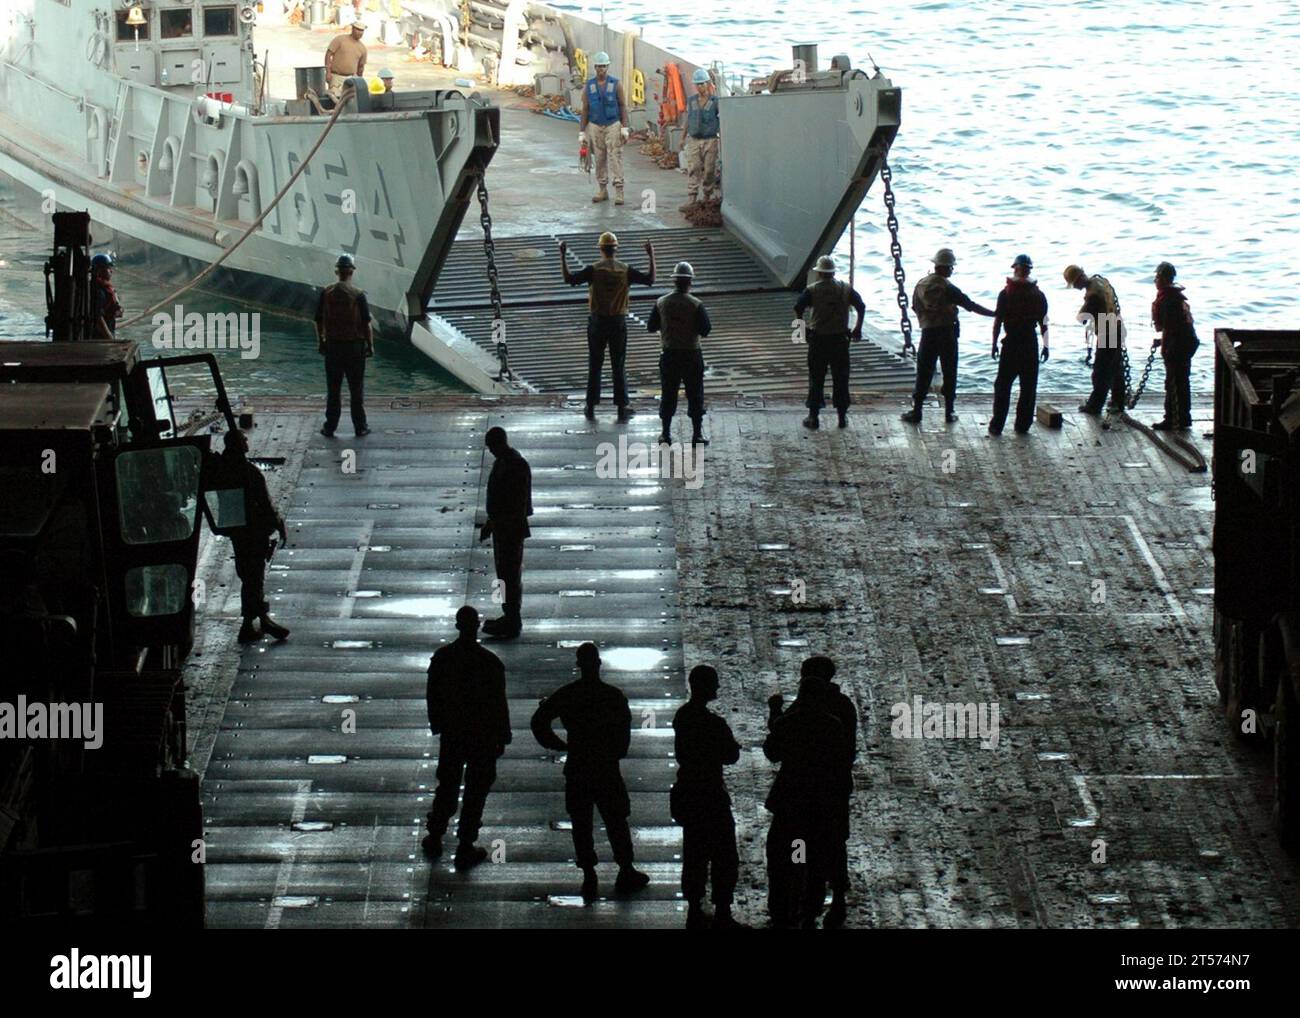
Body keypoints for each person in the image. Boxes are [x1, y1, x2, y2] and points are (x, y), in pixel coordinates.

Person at [531, 643, 650, 902]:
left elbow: (539, 721)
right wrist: (614, 751)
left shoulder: (568, 695)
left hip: (578, 765)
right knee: (616, 819)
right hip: (606, 766)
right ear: (598, 665)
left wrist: (557, 743)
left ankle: (588, 871)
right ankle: (625, 868)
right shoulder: (613, 696)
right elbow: (623, 740)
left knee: (581, 823)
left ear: (579, 666)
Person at [423, 606, 511, 869]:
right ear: (476, 626)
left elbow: (433, 695)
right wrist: (502, 736)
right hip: (481, 736)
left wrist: (439, 725)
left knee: (448, 785)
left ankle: (436, 834)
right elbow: (498, 703)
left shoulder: (443, 658)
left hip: (453, 733)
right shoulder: (489, 662)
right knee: (476, 791)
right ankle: (465, 844)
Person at [763, 670, 847, 928]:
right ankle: (809, 909)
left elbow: (772, 752)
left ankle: (782, 908)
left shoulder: (788, 723)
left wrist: (776, 713)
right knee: (813, 860)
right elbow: (840, 762)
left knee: (785, 857)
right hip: (819, 806)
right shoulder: (833, 725)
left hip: (790, 803)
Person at [671, 665, 742, 929]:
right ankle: (722, 910)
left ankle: (694, 908)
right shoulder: (714, 723)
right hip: (711, 794)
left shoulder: (683, 716)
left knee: (695, 853)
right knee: (724, 855)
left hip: (688, 792)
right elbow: (731, 755)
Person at [790, 656, 857, 929]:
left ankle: (804, 894)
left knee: (801, 843)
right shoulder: (843, 707)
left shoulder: (803, 706)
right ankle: (838, 894)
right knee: (835, 842)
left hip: (806, 790)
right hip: (835, 787)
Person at [560, 231, 655, 421]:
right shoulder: (625, 269)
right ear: (615, 249)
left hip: (597, 322)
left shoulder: (593, 270)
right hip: (618, 322)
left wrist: (562, 255)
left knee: (595, 364)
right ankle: (621, 406)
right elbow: (650, 279)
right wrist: (651, 255)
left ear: (601, 249)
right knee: (618, 364)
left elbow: (569, 279)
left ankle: (590, 405)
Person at [902, 248, 994, 424]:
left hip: (928, 333)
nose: (952, 270)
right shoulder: (948, 288)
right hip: (946, 334)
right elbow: (971, 305)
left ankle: (917, 411)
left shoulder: (921, 284)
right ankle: (949, 412)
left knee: (923, 372)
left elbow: (915, 307)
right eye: (951, 267)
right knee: (949, 371)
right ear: (944, 268)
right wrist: (995, 314)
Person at [220, 430, 290, 645]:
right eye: (243, 440)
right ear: (239, 445)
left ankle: (256, 620)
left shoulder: (223, 469)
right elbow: (266, 504)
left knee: (248, 577)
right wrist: (279, 524)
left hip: (237, 531)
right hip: (254, 531)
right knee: (254, 578)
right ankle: (256, 621)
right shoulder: (249, 473)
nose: (247, 441)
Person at [794, 255, 866, 430]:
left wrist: (802, 329)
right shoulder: (846, 289)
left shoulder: (812, 290)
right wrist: (857, 328)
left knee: (816, 378)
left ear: (819, 273)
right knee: (841, 378)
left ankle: (813, 417)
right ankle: (841, 417)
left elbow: (798, 308)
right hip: (840, 340)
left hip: (819, 340)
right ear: (833, 272)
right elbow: (861, 306)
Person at [647, 260, 711, 445]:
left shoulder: (661, 302)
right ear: (690, 282)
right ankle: (697, 435)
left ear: (674, 281)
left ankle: (665, 434)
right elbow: (706, 330)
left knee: (668, 394)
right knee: (695, 394)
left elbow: (651, 327)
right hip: (691, 354)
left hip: (669, 354)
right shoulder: (696, 304)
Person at [988, 253, 1050, 436]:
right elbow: (1043, 323)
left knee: (1003, 386)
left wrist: (994, 343)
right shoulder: (1038, 294)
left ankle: (997, 425)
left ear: (1014, 269)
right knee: (1028, 387)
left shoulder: (1005, 293)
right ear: (1029, 270)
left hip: (1011, 343)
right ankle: (1022, 426)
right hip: (1030, 343)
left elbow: (998, 321)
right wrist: (1046, 345)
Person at [479, 427, 532, 638]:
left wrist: (499, 522)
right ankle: (508, 613)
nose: (491, 451)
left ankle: (512, 617)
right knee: (503, 575)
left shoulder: (515, 466)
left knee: (509, 575)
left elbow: (517, 504)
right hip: (502, 527)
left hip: (510, 529)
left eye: (492, 447)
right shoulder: (505, 462)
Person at [316, 253, 372, 438]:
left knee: (333, 390)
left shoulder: (326, 292)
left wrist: (321, 341)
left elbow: (318, 319)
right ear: (352, 272)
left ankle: (330, 426)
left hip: (333, 346)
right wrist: (370, 345)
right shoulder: (358, 294)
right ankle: (360, 426)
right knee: (356, 390)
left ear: (336, 271)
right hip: (354, 347)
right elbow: (366, 323)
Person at [1065, 264, 1127, 417]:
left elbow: (1082, 318)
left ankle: (1094, 405)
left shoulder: (1092, 294)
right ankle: (1118, 401)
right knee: (1116, 368)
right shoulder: (1100, 281)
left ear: (1078, 280)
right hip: (1117, 328)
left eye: (1074, 284)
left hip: (1108, 332)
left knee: (1101, 371)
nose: (1075, 287)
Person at [1150, 261, 1198, 431]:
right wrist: (1163, 341)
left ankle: (1172, 418)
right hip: (1185, 342)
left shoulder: (1168, 300)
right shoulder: (1174, 297)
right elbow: (1177, 327)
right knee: (1180, 381)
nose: (1155, 280)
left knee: (1174, 383)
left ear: (1162, 278)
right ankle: (1182, 417)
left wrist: (1168, 346)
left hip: (1179, 345)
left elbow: (1173, 328)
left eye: (1157, 277)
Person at [578, 51, 629, 205]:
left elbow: (622, 106)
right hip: (595, 126)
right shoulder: (589, 86)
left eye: (604, 67)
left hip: (613, 124)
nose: (601, 69)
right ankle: (602, 189)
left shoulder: (616, 84)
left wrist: (625, 127)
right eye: (599, 67)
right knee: (599, 158)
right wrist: (582, 131)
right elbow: (585, 108)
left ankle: (619, 191)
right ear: (595, 67)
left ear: (608, 67)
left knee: (615, 157)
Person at [679, 68, 720, 210]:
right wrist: (682, 138)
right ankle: (692, 198)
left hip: (711, 140)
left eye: (702, 84)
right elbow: (688, 120)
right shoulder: (691, 101)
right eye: (697, 84)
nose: (700, 87)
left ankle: (707, 197)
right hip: (694, 140)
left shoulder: (716, 102)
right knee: (693, 168)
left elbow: (722, 120)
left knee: (709, 169)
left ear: (708, 83)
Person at [324, 20, 367, 92]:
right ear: (353, 29)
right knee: (335, 99)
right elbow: (328, 55)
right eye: (358, 29)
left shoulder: (362, 48)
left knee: (350, 101)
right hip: (336, 77)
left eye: (362, 30)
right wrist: (328, 72)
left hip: (351, 79)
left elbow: (361, 67)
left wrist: (359, 81)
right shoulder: (340, 40)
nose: (360, 32)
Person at [90, 253, 121, 339]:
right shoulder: (98, 291)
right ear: (100, 270)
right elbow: (98, 318)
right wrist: (110, 338)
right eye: (109, 268)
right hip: (100, 338)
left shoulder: (106, 288)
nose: (111, 271)